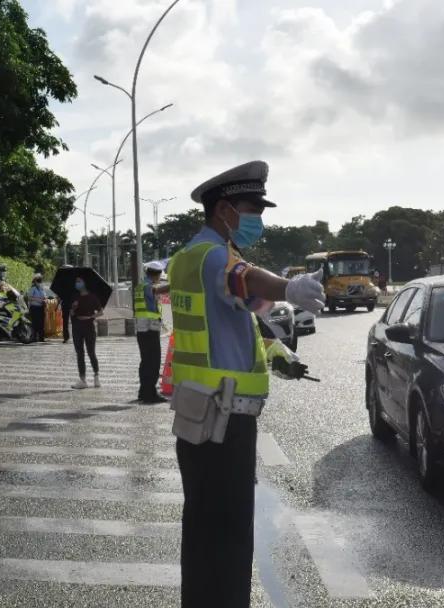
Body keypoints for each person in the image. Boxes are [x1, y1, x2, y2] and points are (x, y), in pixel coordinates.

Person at [170, 160, 325, 608]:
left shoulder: (188, 257)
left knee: (203, 529)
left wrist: (279, 353)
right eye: (251, 207)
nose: (258, 218)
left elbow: (248, 307)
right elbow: (247, 281)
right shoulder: (216, 256)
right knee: (230, 533)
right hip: (224, 419)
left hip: (199, 413)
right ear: (224, 209)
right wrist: (288, 288)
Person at [136, 261, 170, 403]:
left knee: (145, 361)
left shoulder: (140, 285)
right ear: (157, 274)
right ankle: (150, 394)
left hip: (141, 328)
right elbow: (157, 290)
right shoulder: (148, 286)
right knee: (153, 361)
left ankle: (143, 392)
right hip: (150, 328)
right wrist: (176, 284)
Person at [69, 276, 103, 389]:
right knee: (80, 353)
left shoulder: (93, 297)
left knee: (91, 352)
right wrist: (73, 308)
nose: (77, 283)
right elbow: (71, 314)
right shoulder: (75, 296)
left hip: (89, 326)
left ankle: (96, 376)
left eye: (79, 281)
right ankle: (83, 380)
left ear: (84, 282)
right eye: (76, 281)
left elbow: (101, 312)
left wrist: (92, 316)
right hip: (77, 326)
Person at [27, 273, 48, 342]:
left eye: (40, 281)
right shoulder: (33, 288)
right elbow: (29, 298)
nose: (40, 282)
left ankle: (41, 338)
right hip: (34, 307)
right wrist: (39, 300)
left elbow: (45, 297)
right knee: (35, 323)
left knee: (41, 323)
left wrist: (45, 300)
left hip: (41, 307)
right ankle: (34, 337)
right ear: (35, 281)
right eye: (38, 281)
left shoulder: (42, 289)